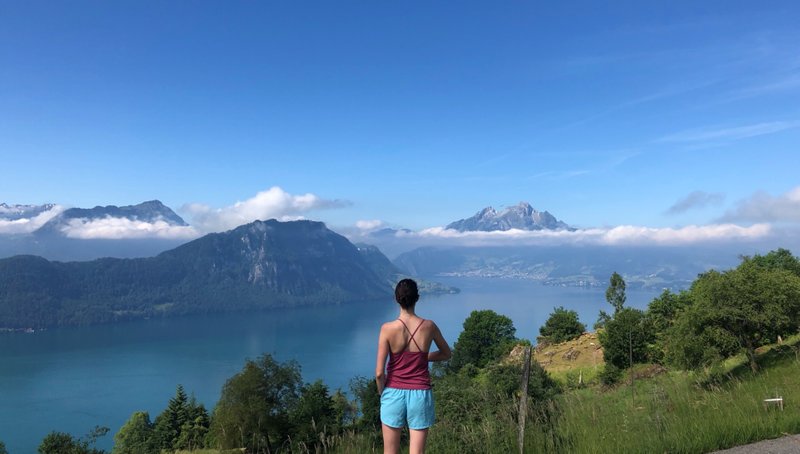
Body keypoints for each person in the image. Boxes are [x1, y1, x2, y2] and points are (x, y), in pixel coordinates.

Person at [375, 278, 452, 454]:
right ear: (417, 298)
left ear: (396, 299)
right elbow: (447, 353)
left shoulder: (387, 329)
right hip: (420, 393)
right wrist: (423, 358)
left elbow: (379, 373)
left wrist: (382, 393)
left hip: (393, 392)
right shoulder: (429, 326)